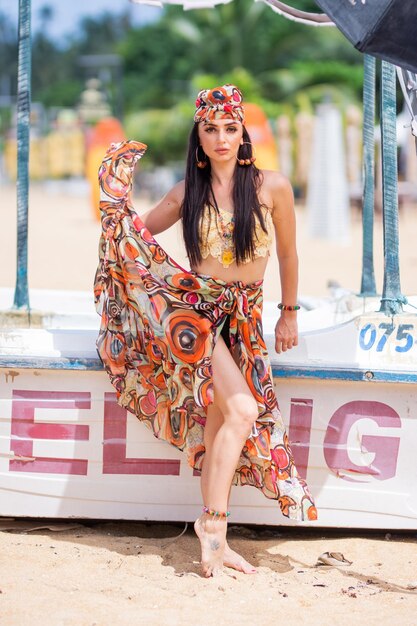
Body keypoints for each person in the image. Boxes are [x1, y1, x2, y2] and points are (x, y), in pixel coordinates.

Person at [94, 84, 317, 579]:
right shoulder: (185, 194)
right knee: (242, 410)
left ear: (243, 133)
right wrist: (116, 188)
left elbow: (287, 255)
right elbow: (133, 241)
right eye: (211, 128)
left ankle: (214, 540)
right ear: (198, 135)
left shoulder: (272, 186)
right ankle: (212, 527)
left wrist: (290, 312)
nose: (221, 137)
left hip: (248, 318)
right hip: (198, 319)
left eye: (230, 128)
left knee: (221, 423)